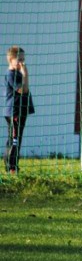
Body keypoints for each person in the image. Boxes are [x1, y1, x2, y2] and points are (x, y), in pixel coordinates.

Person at [4, 46, 35, 174]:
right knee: (14, 140)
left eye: (23, 59)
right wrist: (25, 74)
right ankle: (11, 168)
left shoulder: (17, 73)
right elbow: (23, 90)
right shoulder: (11, 75)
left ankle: (12, 165)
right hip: (14, 112)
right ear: (11, 60)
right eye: (19, 59)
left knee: (17, 139)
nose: (23, 62)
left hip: (21, 111)